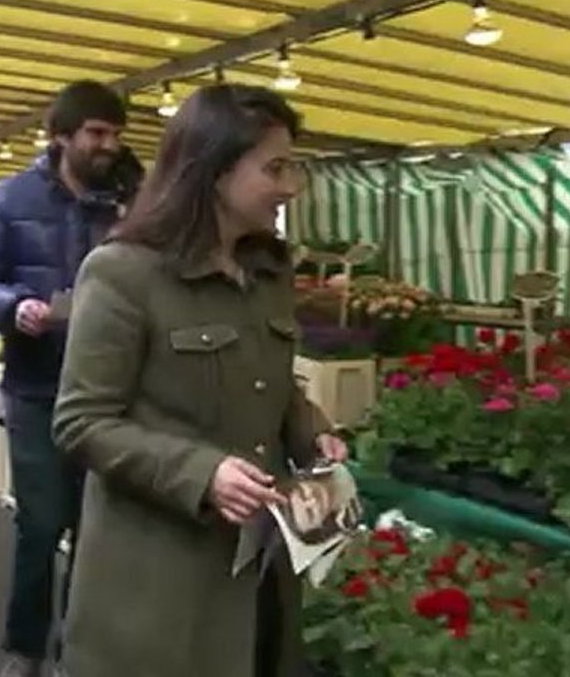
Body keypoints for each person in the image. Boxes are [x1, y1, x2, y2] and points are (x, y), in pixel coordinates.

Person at [53, 83, 349, 677]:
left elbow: (268, 382)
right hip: (159, 588)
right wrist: (201, 473)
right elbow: (81, 422)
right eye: (275, 168)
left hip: (258, 573)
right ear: (214, 171)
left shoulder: (267, 271)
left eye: (293, 167)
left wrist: (311, 435)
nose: (290, 187)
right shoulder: (122, 274)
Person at [0, 80, 127, 677]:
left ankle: (78, 650)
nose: (108, 146)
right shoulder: (8, 201)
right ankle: (24, 648)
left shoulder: (125, 200)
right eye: (96, 134)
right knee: (40, 522)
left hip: (109, 394)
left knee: (98, 528)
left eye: (114, 134)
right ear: (61, 137)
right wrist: (13, 308)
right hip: (37, 388)